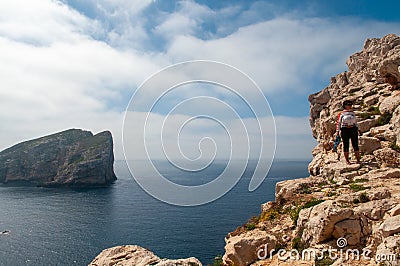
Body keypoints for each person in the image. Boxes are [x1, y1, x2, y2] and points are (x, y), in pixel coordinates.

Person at [335, 100, 362, 165]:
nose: (350, 106)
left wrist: (359, 129)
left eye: (350, 105)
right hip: (345, 129)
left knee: (355, 144)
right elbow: (338, 123)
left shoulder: (353, 113)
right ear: (344, 106)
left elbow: (356, 122)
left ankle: (358, 160)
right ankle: (347, 160)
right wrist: (337, 131)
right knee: (346, 145)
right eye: (348, 105)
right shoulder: (341, 114)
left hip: (353, 128)